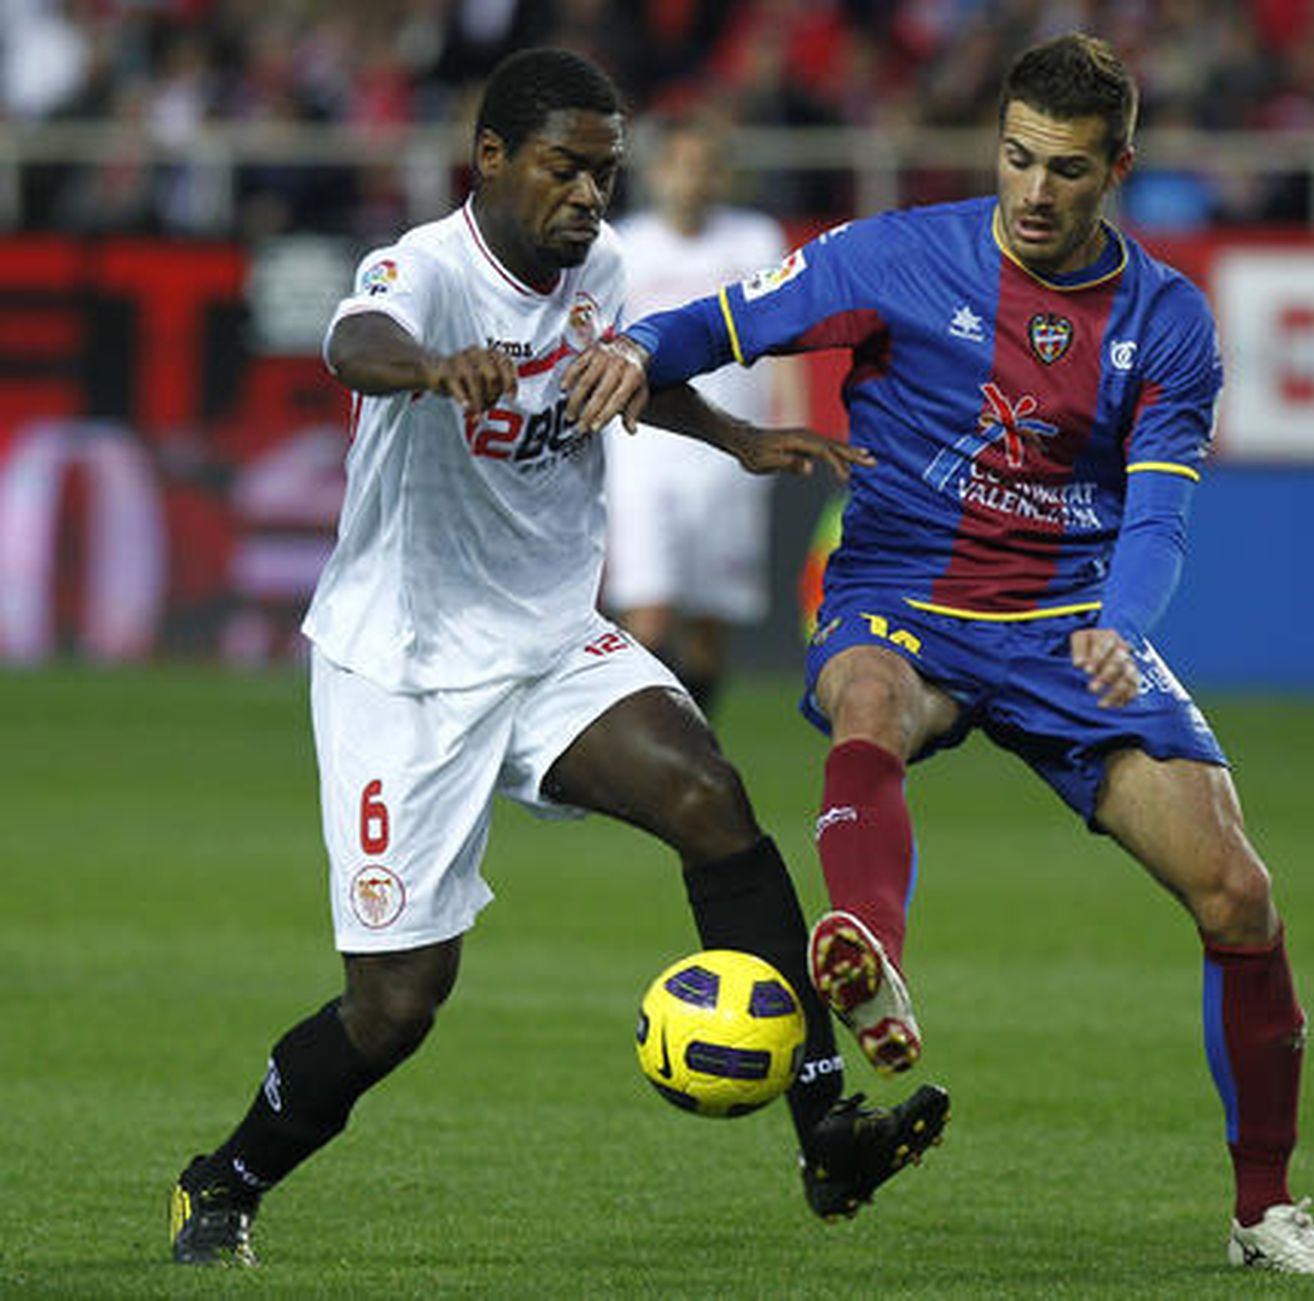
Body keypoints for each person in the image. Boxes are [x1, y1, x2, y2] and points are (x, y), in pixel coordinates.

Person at [564, 32, 1314, 1277]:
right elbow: (725, 320)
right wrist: (634, 353)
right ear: (994, 143)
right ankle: (868, 952)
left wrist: (1123, 623)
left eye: (1067, 170)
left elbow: (1157, 510)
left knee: (1239, 894)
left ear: (1119, 171)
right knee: (867, 700)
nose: (1036, 191)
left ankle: (1264, 1208)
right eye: (1017, 157)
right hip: (897, 593)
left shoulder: (1166, 321)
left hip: (1066, 625)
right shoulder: (897, 256)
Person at [167, 47, 948, 1269]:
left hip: (547, 638)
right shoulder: (419, 271)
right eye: (564, 168)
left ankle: (827, 1126)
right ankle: (222, 1180)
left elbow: (611, 375)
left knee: (715, 803)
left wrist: (732, 434)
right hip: (403, 668)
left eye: (604, 170)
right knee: (396, 1005)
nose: (590, 194)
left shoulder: (606, 265)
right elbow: (352, 344)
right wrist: (432, 368)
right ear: (490, 159)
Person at [604, 113, 808, 715]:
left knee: (712, 621)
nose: (694, 180)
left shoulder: (755, 241)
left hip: (729, 452)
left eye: (707, 166)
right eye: (683, 165)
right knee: (648, 610)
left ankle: (695, 740)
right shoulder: (623, 246)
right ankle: (639, 741)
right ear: (659, 172)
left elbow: (785, 339)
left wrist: (788, 416)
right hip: (641, 451)